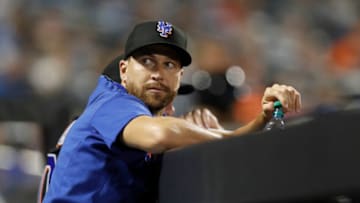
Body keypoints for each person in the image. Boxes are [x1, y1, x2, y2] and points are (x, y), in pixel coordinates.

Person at [43, 20, 301, 203]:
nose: (157, 74)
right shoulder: (112, 101)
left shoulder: (111, 122)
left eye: (169, 65)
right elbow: (157, 135)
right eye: (146, 62)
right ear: (123, 71)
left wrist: (261, 119)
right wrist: (220, 137)